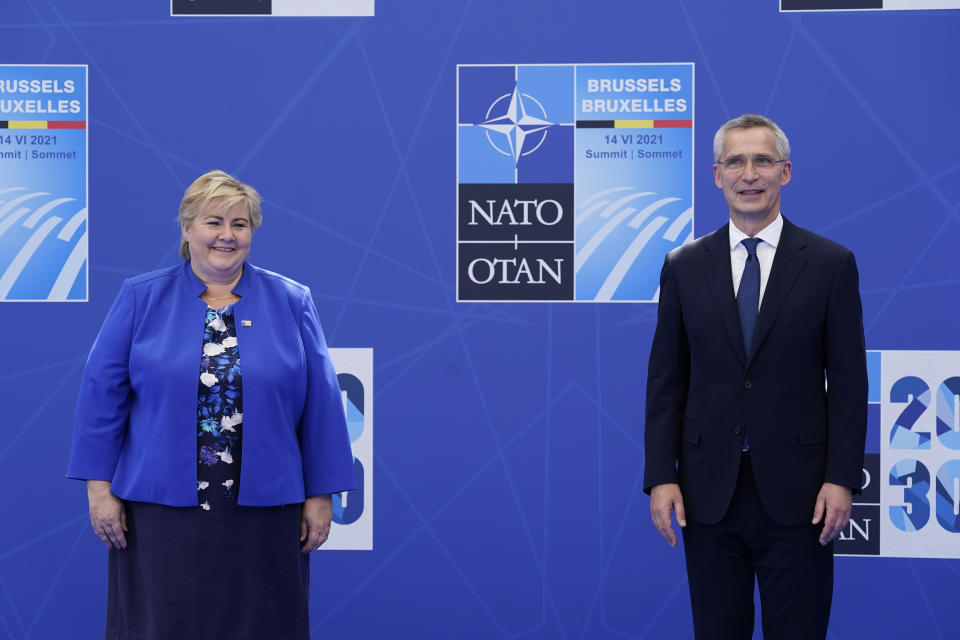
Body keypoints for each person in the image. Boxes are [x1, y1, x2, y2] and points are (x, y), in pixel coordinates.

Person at [67, 170, 355, 640]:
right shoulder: (140, 297)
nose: (226, 235)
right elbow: (102, 396)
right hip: (159, 513)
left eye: (240, 224)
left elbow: (321, 405)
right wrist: (100, 490)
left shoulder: (292, 300)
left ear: (252, 232)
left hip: (266, 512)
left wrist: (321, 495)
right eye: (213, 222)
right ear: (187, 228)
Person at [643, 114, 867, 639]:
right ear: (716, 175)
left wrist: (841, 477)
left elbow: (850, 383)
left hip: (802, 495)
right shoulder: (684, 264)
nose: (750, 173)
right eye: (735, 161)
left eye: (762, 160)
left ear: (785, 172)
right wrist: (661, 475)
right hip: (708, 493)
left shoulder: (831, 264)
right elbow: (666, 380)